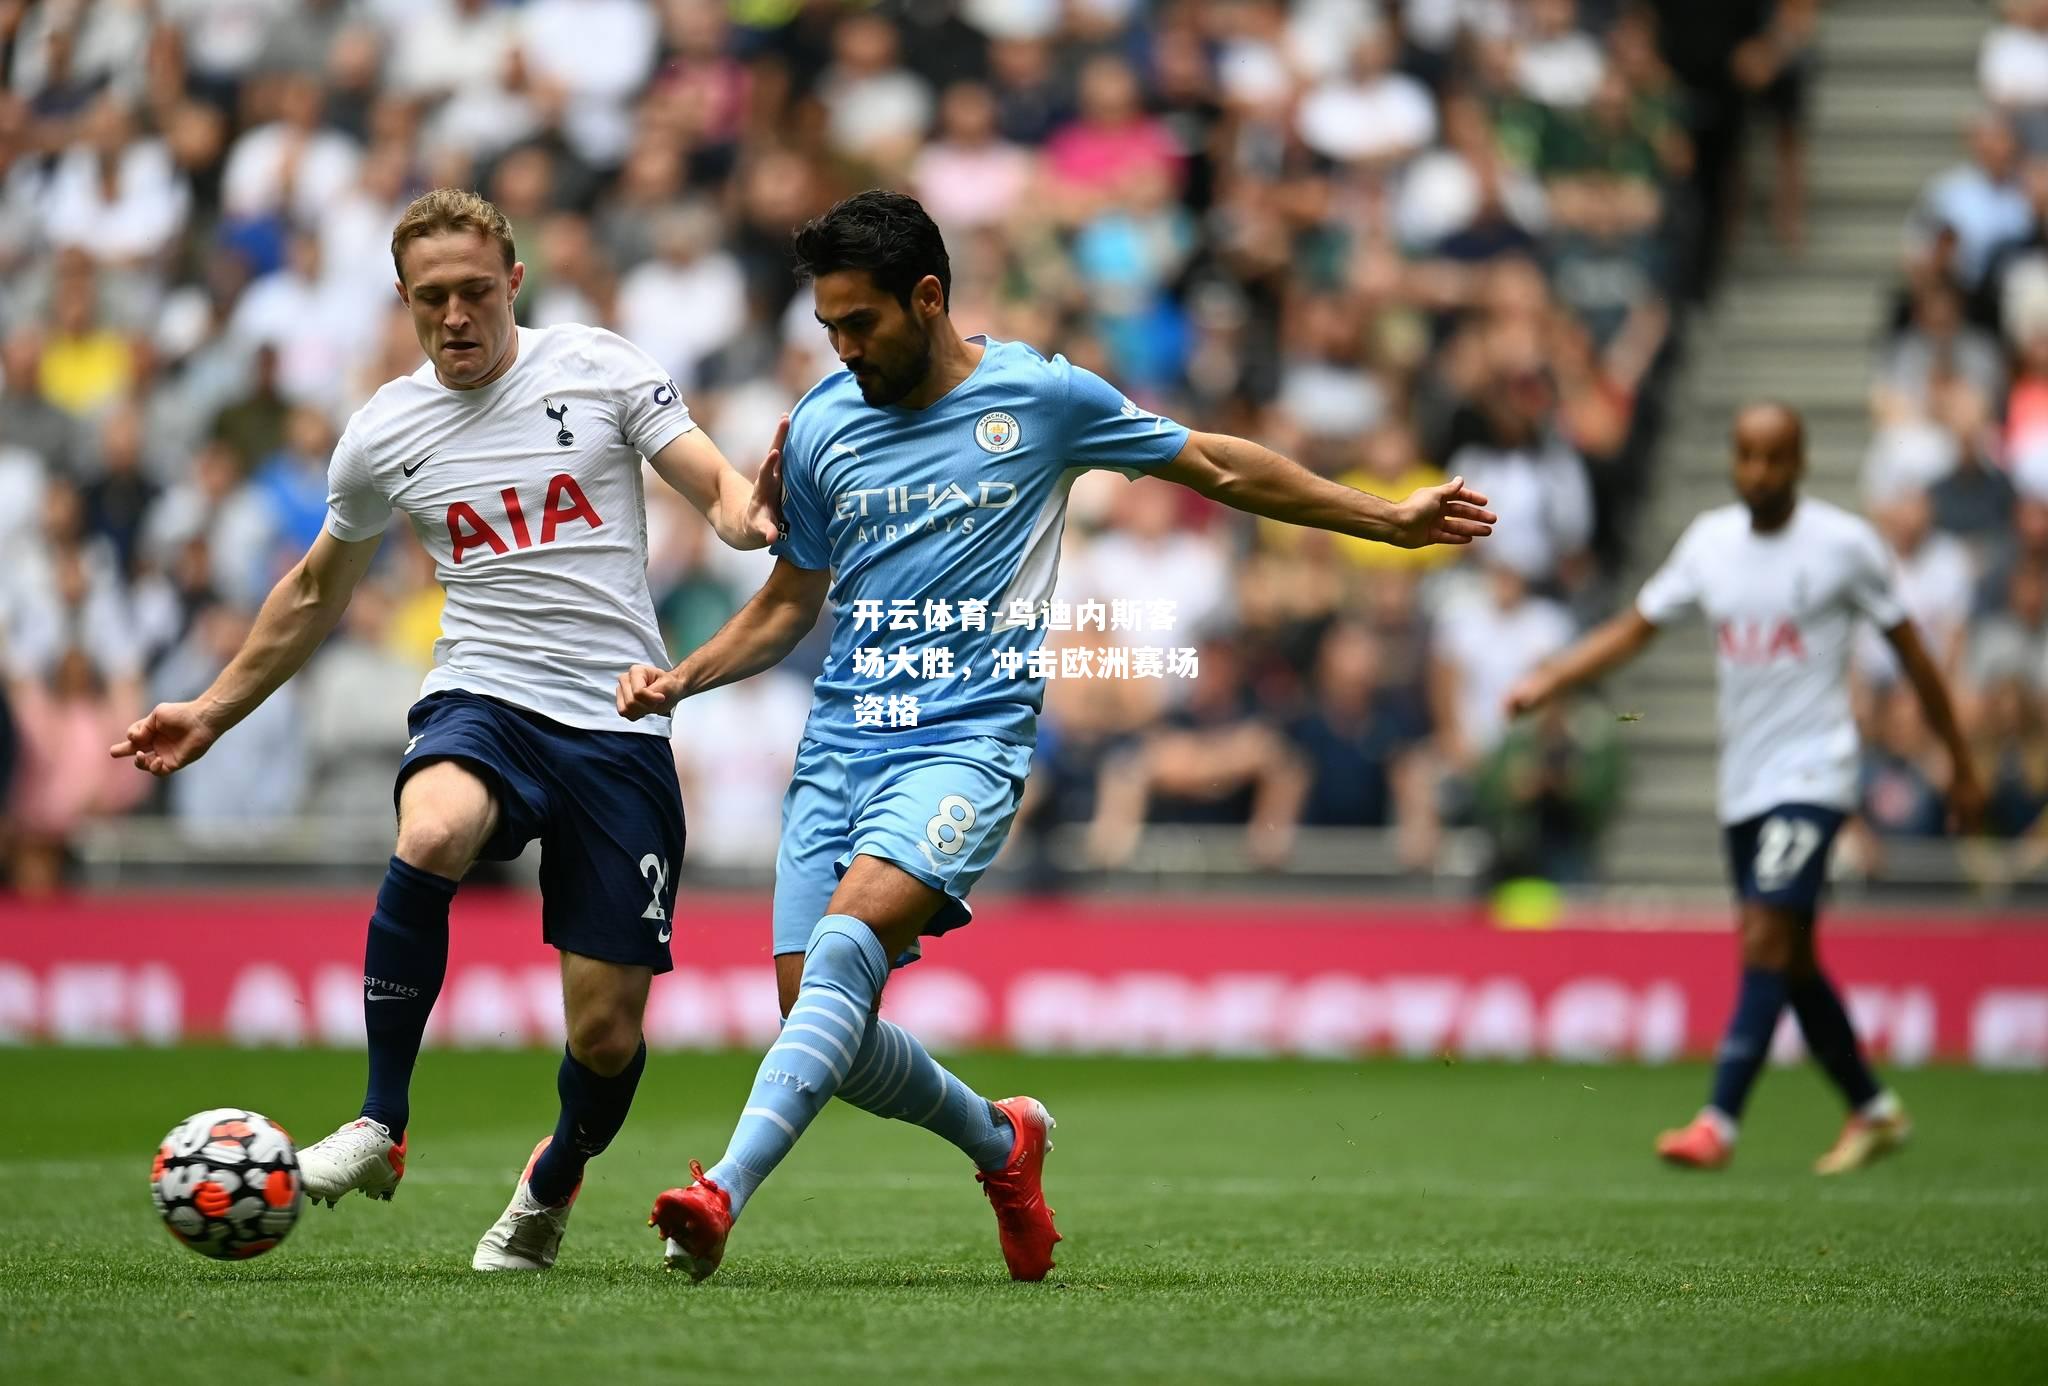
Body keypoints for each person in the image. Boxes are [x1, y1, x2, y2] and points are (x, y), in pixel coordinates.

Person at [613, 190, 1495, 1282]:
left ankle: (718, 1194)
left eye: (860, 323)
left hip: (964, 746)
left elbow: (1213, 464)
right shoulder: (827, 422)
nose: (842, 348)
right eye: (828, 327)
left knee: (845, 951)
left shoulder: (1038, 397)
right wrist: (683, 679)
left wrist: (1383, 516)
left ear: (926, 297)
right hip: (841, 745)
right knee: (819, 1025)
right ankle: (1003, 1140)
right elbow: (791, 601)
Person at [110, 189, 782, 1271]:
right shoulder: (384, 431)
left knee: (604, 1038)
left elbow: (710, 483)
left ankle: (552, 1178)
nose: (456, 315)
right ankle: (380, 1121)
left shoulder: (599, 368)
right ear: (403, 301)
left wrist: (749, 514)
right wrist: (211, 709)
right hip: (484, 694)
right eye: (432, 298)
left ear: (513, 282)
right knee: (428, 833)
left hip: (616, 721)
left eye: (475, 291)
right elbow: (315, 591)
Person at [1504, 402, 1982, 1174]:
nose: (1758, 472)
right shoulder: (1709, 543)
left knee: (1764, 936)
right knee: (1788, 958)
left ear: (1800, 463)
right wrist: (1551, 679)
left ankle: (1718, 1121)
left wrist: (1960, 760)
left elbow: (1914, 654)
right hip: (1744, 782)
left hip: (1816, 772)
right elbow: (1636, 626)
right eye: (1747, 457)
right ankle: (1874, 1108)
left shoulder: (1844, 546)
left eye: (1774, 458)